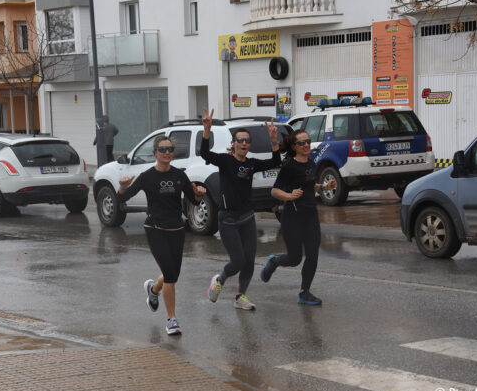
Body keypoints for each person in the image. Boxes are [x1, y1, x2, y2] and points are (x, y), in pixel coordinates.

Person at [117, 135, 206, 335]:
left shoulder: (179, 175)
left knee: (172, 274)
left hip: (177, 230)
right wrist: (122, 188)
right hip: (156, 229)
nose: (167, 153)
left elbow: (194, 200)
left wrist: (199, 194)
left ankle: (153, 289)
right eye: (163, 150)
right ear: (155, 153)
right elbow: (122, 198)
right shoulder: (147, 176)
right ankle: (171, 319)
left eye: (170, 150)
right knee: (170, 275)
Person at [202, 108, 280, 310]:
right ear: (234, 143)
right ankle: (219, 279)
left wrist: (274, 141)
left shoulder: (252, 163)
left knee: (249, 261)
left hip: (246, 217)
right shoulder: (225, 161)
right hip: (227, 218)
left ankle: (240, 297)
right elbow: (204, 153)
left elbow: (275, 162)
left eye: (247, 141)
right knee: (237, 261)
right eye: (240, 140)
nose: (244, 143)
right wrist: (207, 131)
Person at [260, 129, 337, 305]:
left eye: (308, 141)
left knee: (312, 255)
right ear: (294, 146)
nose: (306, 145)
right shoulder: (289, 167)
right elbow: (274, 191)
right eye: (302, 143)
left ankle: (304, 292)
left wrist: (324, 187)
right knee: (294, 259)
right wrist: (289, 196)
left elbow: (309, 185)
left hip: (310, 216)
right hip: (292, 217)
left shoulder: (311, 163)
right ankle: (274, 261)